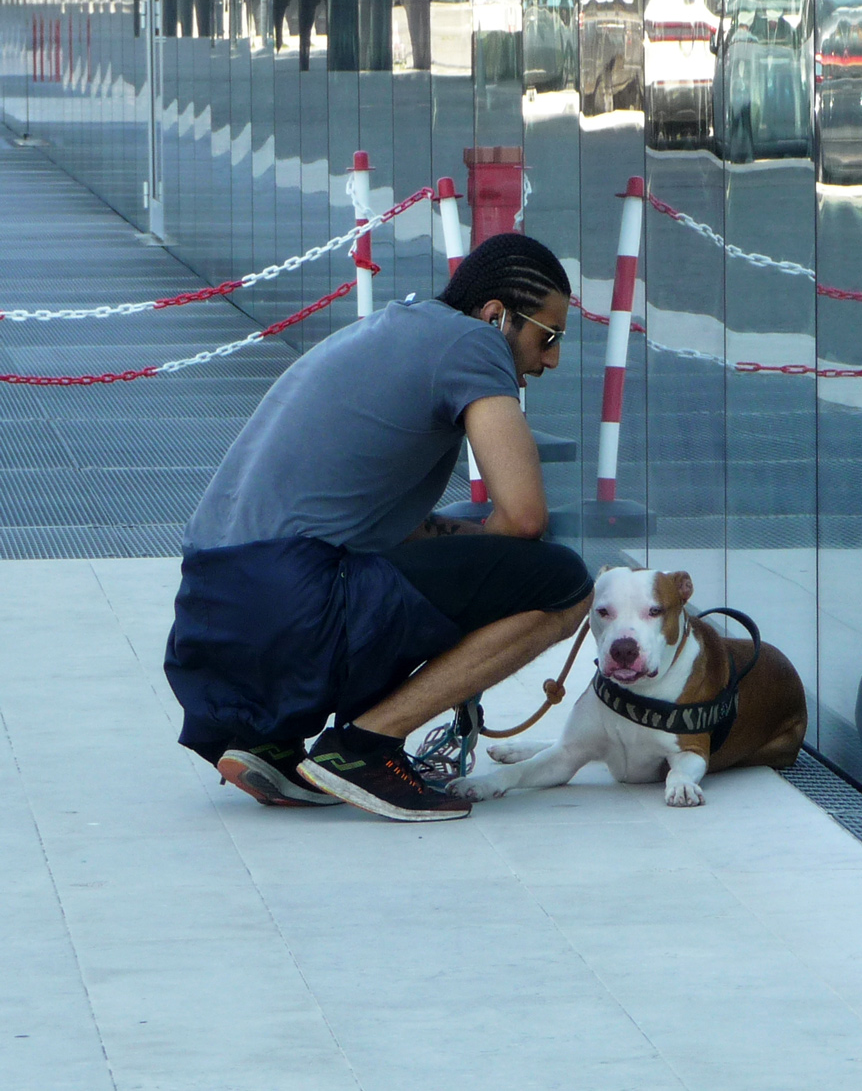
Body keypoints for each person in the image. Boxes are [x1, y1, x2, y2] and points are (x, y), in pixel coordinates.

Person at [165, 234, 594, 823]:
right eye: (549, 337)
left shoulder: (393, 329)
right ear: (497, 316)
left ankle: (269, 737)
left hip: (215, 614)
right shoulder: (474, 344)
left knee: (465, 533)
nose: (551, 360)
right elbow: (524, 517)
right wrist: (492, 612)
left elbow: (394, 527)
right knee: (562, 581)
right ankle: (362, 749)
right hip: (293, 603)